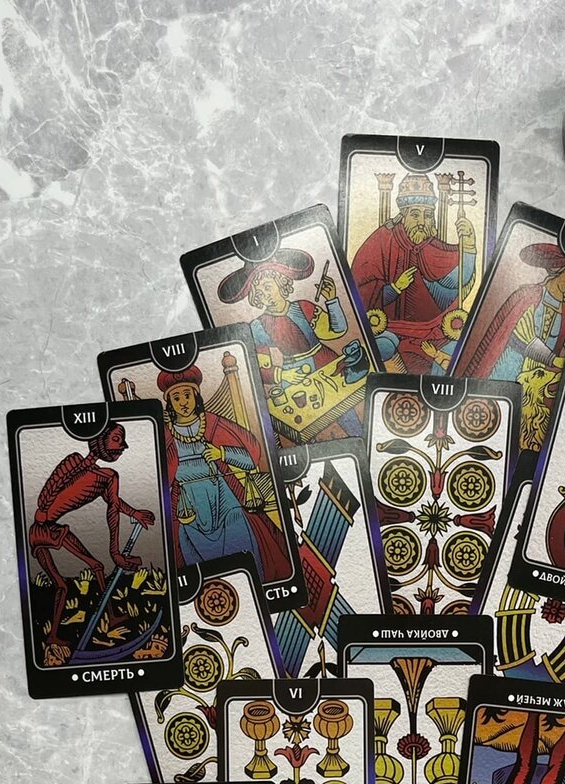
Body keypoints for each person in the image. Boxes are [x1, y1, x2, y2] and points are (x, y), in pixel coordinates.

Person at [29, 421, 155, 658]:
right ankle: (57, 634)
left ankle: (93, 622)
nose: (124, 446)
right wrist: (115, 553)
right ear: (99, 439)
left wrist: (134, 513)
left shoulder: (104, 476)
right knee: (86, 571)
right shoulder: (92, 470)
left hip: (40, 530)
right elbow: (109, 506)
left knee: (68, 582)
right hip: (45, 529)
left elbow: (113, 504)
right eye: (117, 439)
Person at [158, 364, 291, 579]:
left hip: (224, 499)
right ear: (169, 402)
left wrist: (221, 453)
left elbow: (250, 460)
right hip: (189, 507)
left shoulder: (212, 423)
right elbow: (158, 478)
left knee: (243, 541)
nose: (183, 402)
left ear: (196, 395)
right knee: (194, 557)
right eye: (176, 397)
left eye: (187, 395)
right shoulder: (164, 435)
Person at [352, 172, 476, 372]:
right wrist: (394, 288)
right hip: (388, 328)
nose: (422, 222)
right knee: (381, 346)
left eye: (427, 216)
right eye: (415, 215)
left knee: (458, 350)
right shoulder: (382, 241)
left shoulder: (432, 245)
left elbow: (456, 283)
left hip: (433, 330)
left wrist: (469, 245)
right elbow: (361, 290)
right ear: (403, 216)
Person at [461, 243, 565, 383]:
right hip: (506, 367)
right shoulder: (529, 294)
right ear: (559, 269)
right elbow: (519, 335)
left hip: (534, 380)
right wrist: (553, 360)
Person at [217, 248, 349, 390]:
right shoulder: (258, 326)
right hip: (294, 377)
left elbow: (335, 332)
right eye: (259, 294)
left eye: (267, 287)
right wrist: (282, 375)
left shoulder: (303, 307)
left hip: (327, 364)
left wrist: (331, 300)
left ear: (281, 281)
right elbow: (259, 367)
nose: (265, 296)